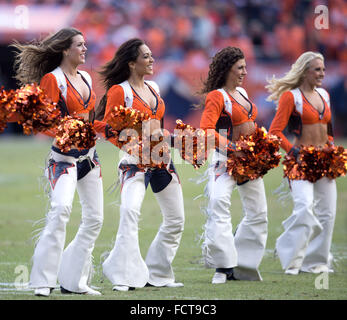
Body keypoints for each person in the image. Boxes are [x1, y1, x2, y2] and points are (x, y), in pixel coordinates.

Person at [12, 27, 104, 296]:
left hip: (90, 159)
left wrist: (109, 128)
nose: (85, 49)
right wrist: (68, 131)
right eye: (79, 45)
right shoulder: (54, 80)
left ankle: (74, 280)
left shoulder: (86, 78)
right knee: (61, 209)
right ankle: (42, 281)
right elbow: (43, 123)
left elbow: (88, 120)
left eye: (85, 44)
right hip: (63, 159)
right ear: (65, 49)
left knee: (95, 219)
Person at [95, 38, 185, 291]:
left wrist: (169, 142)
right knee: (130, 213)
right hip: (135, 162)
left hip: (162, 162)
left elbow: (159, 126)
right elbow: (107, 128)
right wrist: (131, 146)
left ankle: (158, 274)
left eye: (151, 55)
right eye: (146, 56)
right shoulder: (119, 91)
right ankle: (123, 275)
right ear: (132, 63)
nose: (152, 59)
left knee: (176, 219)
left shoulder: (154, 87)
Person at [199, 47, 268, 283]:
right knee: (219, 204)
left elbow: (250, 123)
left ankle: (243, 264)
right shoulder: (217, 96)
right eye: (240, 68)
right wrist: (232, 148)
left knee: (258, 213)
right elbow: (207, 130)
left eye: (245, 67)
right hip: (224, 161)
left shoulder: (243, 92)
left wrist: (261, 145)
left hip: (249, 161)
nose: (245, 72)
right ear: (228, 68)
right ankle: (223, 266)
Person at [267, 51, 336, 275]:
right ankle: (291, 257)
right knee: (305, 207)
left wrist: (331, 146)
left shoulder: (324, 95)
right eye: (317, 69)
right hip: (300, 161)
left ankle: (316, 262)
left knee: (327, 213)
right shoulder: (291, 97)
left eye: (323, 69)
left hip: (325, 160)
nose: (322, 73)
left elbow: (329, 129)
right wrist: (292, 151)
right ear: (305, 71)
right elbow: (275, 132)